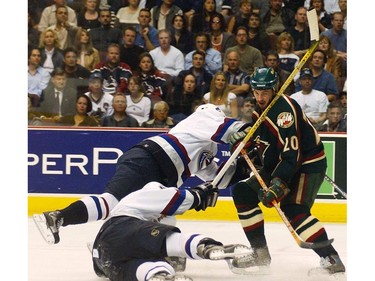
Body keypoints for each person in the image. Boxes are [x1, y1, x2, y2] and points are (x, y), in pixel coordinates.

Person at [33, 103, 248, 244]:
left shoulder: (207, 147)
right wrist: (255, 131)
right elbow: (231, 129)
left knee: (159, 216)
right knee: (111, 203)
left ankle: (118, 245)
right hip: (150, 160)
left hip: (161, 173)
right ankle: (58, 217)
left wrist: (244, 168)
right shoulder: (204, 117)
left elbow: (217, 177)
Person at [228, 66, 346, 275]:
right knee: (243, 192)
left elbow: (293, 154)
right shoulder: (259, 111)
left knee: (293, 209)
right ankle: (260, 253)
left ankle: (331, 257)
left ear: (274, 89)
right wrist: (246, 144)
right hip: (282, 164)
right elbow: (263, 143)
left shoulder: (284, 112)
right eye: (256, 91)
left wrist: (278, 183)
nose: (260, 96)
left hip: (307, 164)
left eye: (265, 92)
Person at [91, 180, 253, 281]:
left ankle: (159, 276)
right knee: (170, 241)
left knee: (147, 268)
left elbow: (100, 270)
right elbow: (177, 199)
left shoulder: (148, 210)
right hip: (121, 228)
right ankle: (206, 247)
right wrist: (199, 194)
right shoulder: (144, 196)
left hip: (105, 260)